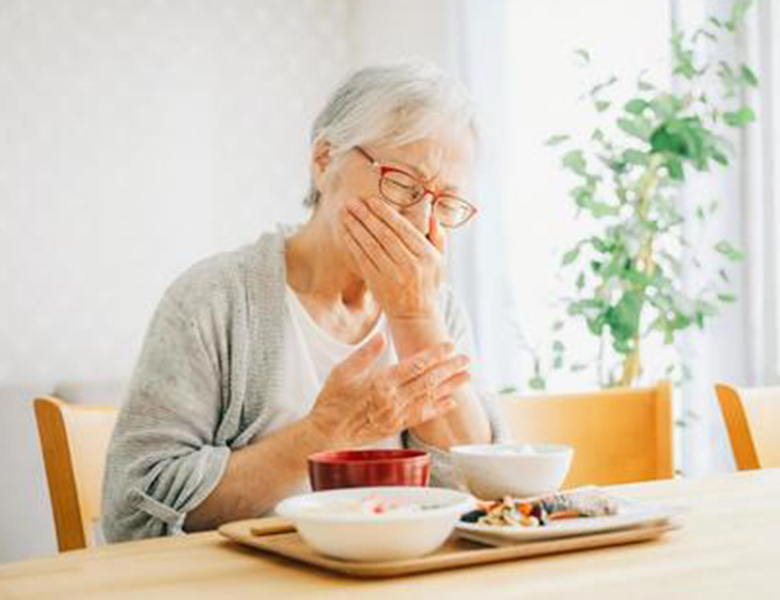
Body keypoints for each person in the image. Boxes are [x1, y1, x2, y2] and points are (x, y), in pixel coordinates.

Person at [102, 61, 508, 542]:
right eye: (403, 185)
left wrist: (415, 315)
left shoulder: (438, 307)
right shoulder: (214, 299)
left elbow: (485, 496)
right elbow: (134, 511)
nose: (421, 222)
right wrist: (324, 432)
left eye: (444, 203)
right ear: (323, 161)